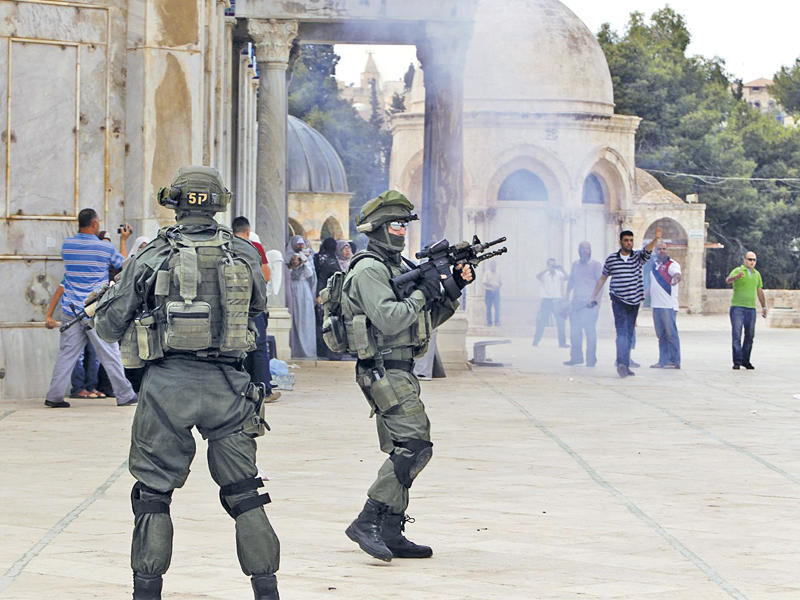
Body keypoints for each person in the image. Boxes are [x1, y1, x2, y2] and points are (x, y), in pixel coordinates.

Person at [92, 166, 280, 600]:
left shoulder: (153, 253)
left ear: (174, 201)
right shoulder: (245, 253)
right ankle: (266, 590)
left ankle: (147, 593)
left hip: (166, 387)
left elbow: (108, 325)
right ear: (219, 203)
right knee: (246, 494)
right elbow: (256, 308)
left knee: (154, 495)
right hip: (229, 387)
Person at [340, 190, 474, 562]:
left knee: (404, 449)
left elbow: (424, 323)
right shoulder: (369, 270)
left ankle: (391, 528)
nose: (402, 231)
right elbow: (389, 318)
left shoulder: (397, 269)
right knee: (415, 446)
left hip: (401, 369)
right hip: (382, 370)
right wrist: (419, 296)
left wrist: (450, 290)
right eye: (396, 224)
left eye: (404, 224)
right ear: (379, 228)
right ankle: (368, 519)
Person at [42, 209, 137, 408]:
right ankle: (125, 394)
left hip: (71, 310)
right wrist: (123, 241)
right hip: (95, 310)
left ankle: (54, 396)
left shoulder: (67, 246)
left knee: (66, 355)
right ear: (94, 224)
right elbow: (125, 266)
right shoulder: (104, 248)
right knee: (110, 353)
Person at [588, 227, 661, 378]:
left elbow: (647, 251)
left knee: (628, 334)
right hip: (618, 300)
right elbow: (603, 278)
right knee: (621, 332)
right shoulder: (612, 259)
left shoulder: (637, 257)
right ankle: (621, 363)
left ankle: (625, 365)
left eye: (631, 240)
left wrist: (655, 239)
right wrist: (593, 296)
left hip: (634, 302)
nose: (629, 243)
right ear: (620, 242)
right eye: (626, 240)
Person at [233, 216, 278, 402]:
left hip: (230, 306)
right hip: (253, 305)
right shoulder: (254, 247)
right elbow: (266, 276)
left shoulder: (224, 246)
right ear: (248, 231)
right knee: (259, 347)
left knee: (234, 347)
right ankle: (263, 390)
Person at [725, 251, 767, 370]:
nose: (752, 262)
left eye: (754, 260)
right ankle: (737, 361)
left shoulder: (757, 274)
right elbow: (728, 280)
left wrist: (764, 307)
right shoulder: (738, 270)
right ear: (744, 260)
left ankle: (746, 360)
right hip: (737, 307)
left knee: (749, 335)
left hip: (751, 309)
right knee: (737, 334)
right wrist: (736, 277)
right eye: (749, 259)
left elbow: (759, 290)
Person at [563, 242, 602, 367]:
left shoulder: (596, 265)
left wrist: (597, 303)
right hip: (576, 303)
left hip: (589, 304)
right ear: (579, 250)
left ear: (590, 251)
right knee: (575, 332)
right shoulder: (575, 265)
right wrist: (566, 298)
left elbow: (600, 285)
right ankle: (576, 357)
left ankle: (591, 359)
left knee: (590, 332)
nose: (586, 251)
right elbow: (571, 282)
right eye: (583, 249)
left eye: (588, 248)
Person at [647, 242, 681, 369]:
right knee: (661, 335)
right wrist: (644, 295)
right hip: (656, 305)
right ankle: (663, 360)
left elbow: (677, 274)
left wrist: (676, 279)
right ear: (655, 251)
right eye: (659, 249)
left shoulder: (672, 265)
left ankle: (674, 361)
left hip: (668, 306)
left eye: (664, 249)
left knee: (670, 333)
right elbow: (653, 284)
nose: (662, 251)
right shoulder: (654, 266)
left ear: (667, 250)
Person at [285, 235, 317, 358]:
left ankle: (307, 350)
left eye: (301, 244)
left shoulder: (307, 257)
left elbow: (310, 274)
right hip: (291, 290)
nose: (300, 247)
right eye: (297, 244)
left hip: (304, 291)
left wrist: (304, 261)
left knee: (305, 319)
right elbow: (288, 271)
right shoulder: (288, 257)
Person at [314, 238, 345, 359]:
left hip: (320, 294)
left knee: (322, 323)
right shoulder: (331, 261)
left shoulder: (318, 258)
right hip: (331, 295)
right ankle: (333, 352)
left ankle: (322, 350)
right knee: (332, 323)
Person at [533, 258, 567, 347]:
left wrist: (562, 269)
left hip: (557, 301)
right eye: (551, 264)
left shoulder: (559, 274)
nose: (553, 267)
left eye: (554, 265)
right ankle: (535, 341)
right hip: (546, 301)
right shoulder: (545, 274)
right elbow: (537, 276)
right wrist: (548, 269)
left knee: (561, 322)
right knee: (541, 322)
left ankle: (562, 343)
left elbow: (567, 278)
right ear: (548, 265)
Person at [483, 261, 502, 326]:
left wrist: (498, 286)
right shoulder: (487, 273)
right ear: (490, 266)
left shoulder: (498, 273)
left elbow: (500, 283)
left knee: (497, 307)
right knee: (488, 307)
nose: (493, 267)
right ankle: (489, 322)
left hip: (496, 292)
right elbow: (484, 282)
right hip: (489, 292)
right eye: (492, 265)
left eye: (494, 265)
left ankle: (497, 322)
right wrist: (492, 286)